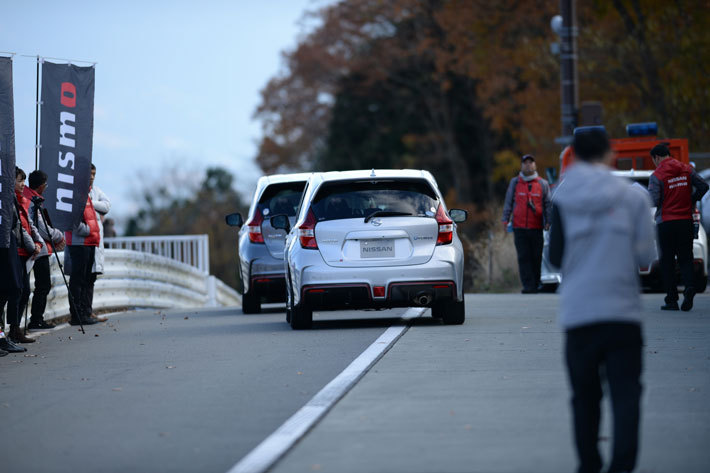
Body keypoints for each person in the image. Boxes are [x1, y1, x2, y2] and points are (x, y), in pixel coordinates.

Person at [548, 127, 656, 473]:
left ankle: (589, 465)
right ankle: (622, 467)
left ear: (574, 155)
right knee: (626, 396)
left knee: (584, 398)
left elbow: (555, 257)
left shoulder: (561, 198)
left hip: (579, 314)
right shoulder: (635, 197)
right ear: (610, 155)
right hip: (623, 313)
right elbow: (646, 256)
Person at [648, 144, 709, 311]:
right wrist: (691, 200)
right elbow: (704, 186)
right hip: (685, 221)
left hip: (666, 223)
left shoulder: (657, 175)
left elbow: (652, 200)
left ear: (657, 157)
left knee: (667, 262)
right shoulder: (686, 169)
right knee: (686, 258)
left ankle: (672, 300)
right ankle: (689, 287)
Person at [0, 167, 42, 346]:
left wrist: (37, 243)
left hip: (22, 251)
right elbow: (19, 228)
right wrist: (33, 245)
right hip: (14, 251)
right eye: (19, 180)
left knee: (22, 290)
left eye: (23, 181)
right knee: (14, 291)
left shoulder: (22, 201)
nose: (22, 184)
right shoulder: (9, 201)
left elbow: (29, 225)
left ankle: (14, 329)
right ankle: (11, 330)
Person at [501, 154, 552, 293]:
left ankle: (536, 283)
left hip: (536, 227)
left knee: (536, 256)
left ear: (534, 166)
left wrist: (548, 221)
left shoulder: (542, 184)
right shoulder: (515, 183)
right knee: (523, 257)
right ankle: (528, 286)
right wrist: (505, 220)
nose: (528, 165)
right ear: (522, 165)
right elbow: (508, 202)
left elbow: (548, 204)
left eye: (531, 163)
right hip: (519, 227)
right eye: (525, 163)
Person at [22, 170, 66, 330]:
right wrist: (59, 236)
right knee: (43, 285)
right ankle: (36, 320)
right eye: (45, 185)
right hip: (37, 249)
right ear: (41, 186)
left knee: (30, 288)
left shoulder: (27, 197)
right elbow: (41, 228)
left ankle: (31, 322)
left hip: (31, 247)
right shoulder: (33, 201)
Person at [65, 180, 101, 327]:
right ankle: (77, 315)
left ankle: (84, 313)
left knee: (85, 279)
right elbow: (72, 221)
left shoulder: (85, 196)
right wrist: (88, 231)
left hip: (89, 242)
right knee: (77, 280)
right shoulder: (74, 197)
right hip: (79, 243)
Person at [0, 190, 30, 355]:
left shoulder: (8, 192)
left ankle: (2, 337)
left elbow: (15, 222)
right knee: (6, 292)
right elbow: (12, 220)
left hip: (9, 244)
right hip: (5, 246)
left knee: (10, 292)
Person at [87, 164, 110, 321]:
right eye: (90, 173)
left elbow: (107, 205)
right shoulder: (77, 191)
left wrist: (90, 203)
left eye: (94, 173)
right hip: (83, 240)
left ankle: (88, 311)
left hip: (95, 239)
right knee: (82, 279)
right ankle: (81, 312)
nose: (92, 177)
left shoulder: (96, 191)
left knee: (91, 278)